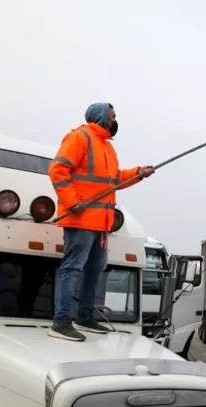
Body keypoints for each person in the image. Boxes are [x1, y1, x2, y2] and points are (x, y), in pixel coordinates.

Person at [47, 103, 154, 341]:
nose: (115, 120)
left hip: (102, 224)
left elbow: (114, 180)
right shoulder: (80, 137)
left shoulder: (107, 147)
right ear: (103, 117)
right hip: (81, 219)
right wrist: (72, 201)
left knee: (95, 270)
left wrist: (138, 173)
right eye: (113, 116)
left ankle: (85, 317)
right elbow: (58, 169)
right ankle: (61, 322)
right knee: (72, 268)